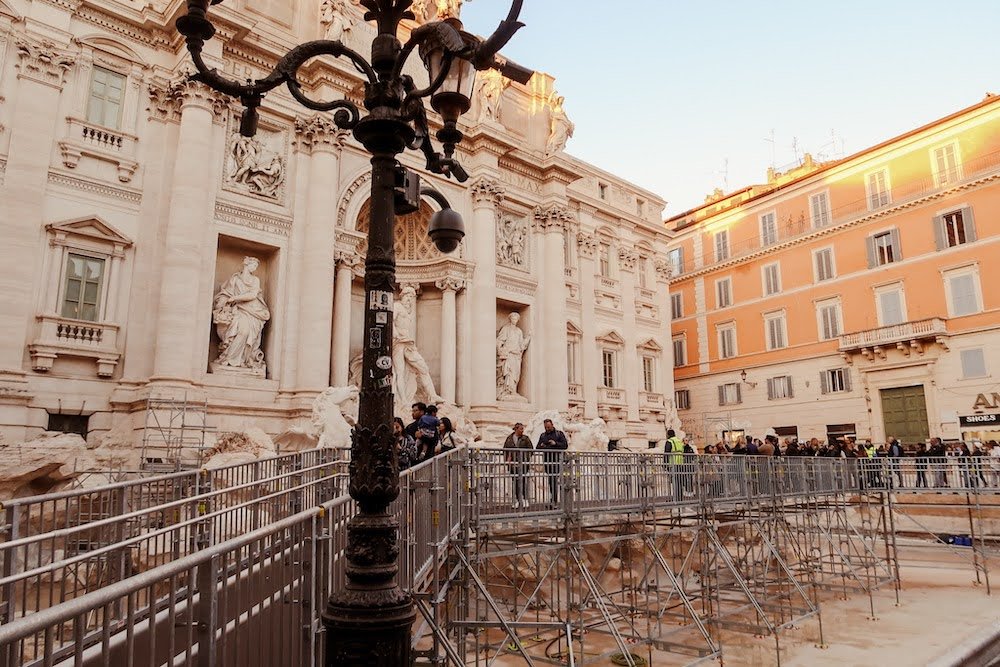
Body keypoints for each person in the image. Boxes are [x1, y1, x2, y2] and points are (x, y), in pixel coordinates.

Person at [536, 419, 568, 506]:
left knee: (558, 481)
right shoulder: (543, 435)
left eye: (549, 427)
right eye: (546, 427)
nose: (547, 429)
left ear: (552, 425)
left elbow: (565, 445)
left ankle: (558, 501)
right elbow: (537, 447)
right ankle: (554, 499)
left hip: (558, 461)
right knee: (551, 481)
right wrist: (543, 446)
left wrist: (555, 443)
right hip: (548, 461)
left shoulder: (559, 434)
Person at [503, 422, 534, 509]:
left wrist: (526, 458)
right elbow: (505, 449)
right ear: (516, 429)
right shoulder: (509, 439)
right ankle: (517, 499)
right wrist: (507, 459)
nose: (522, 430)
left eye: (522, 429)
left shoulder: (525, 438)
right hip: (513, 464)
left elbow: (531, 449)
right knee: (515, 482)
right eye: (521, 429)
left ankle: (524, 499)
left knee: (523, 481)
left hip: (523, 463)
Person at [664, 429, 685, 501]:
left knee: (674, 481)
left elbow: (666, 453)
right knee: (679, 481)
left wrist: (665, 464)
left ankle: (675, 497)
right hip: (680, 463)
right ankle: (680, 497)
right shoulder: (679, 441)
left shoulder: (669, 441)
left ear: (668, 435)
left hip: (673, 463)